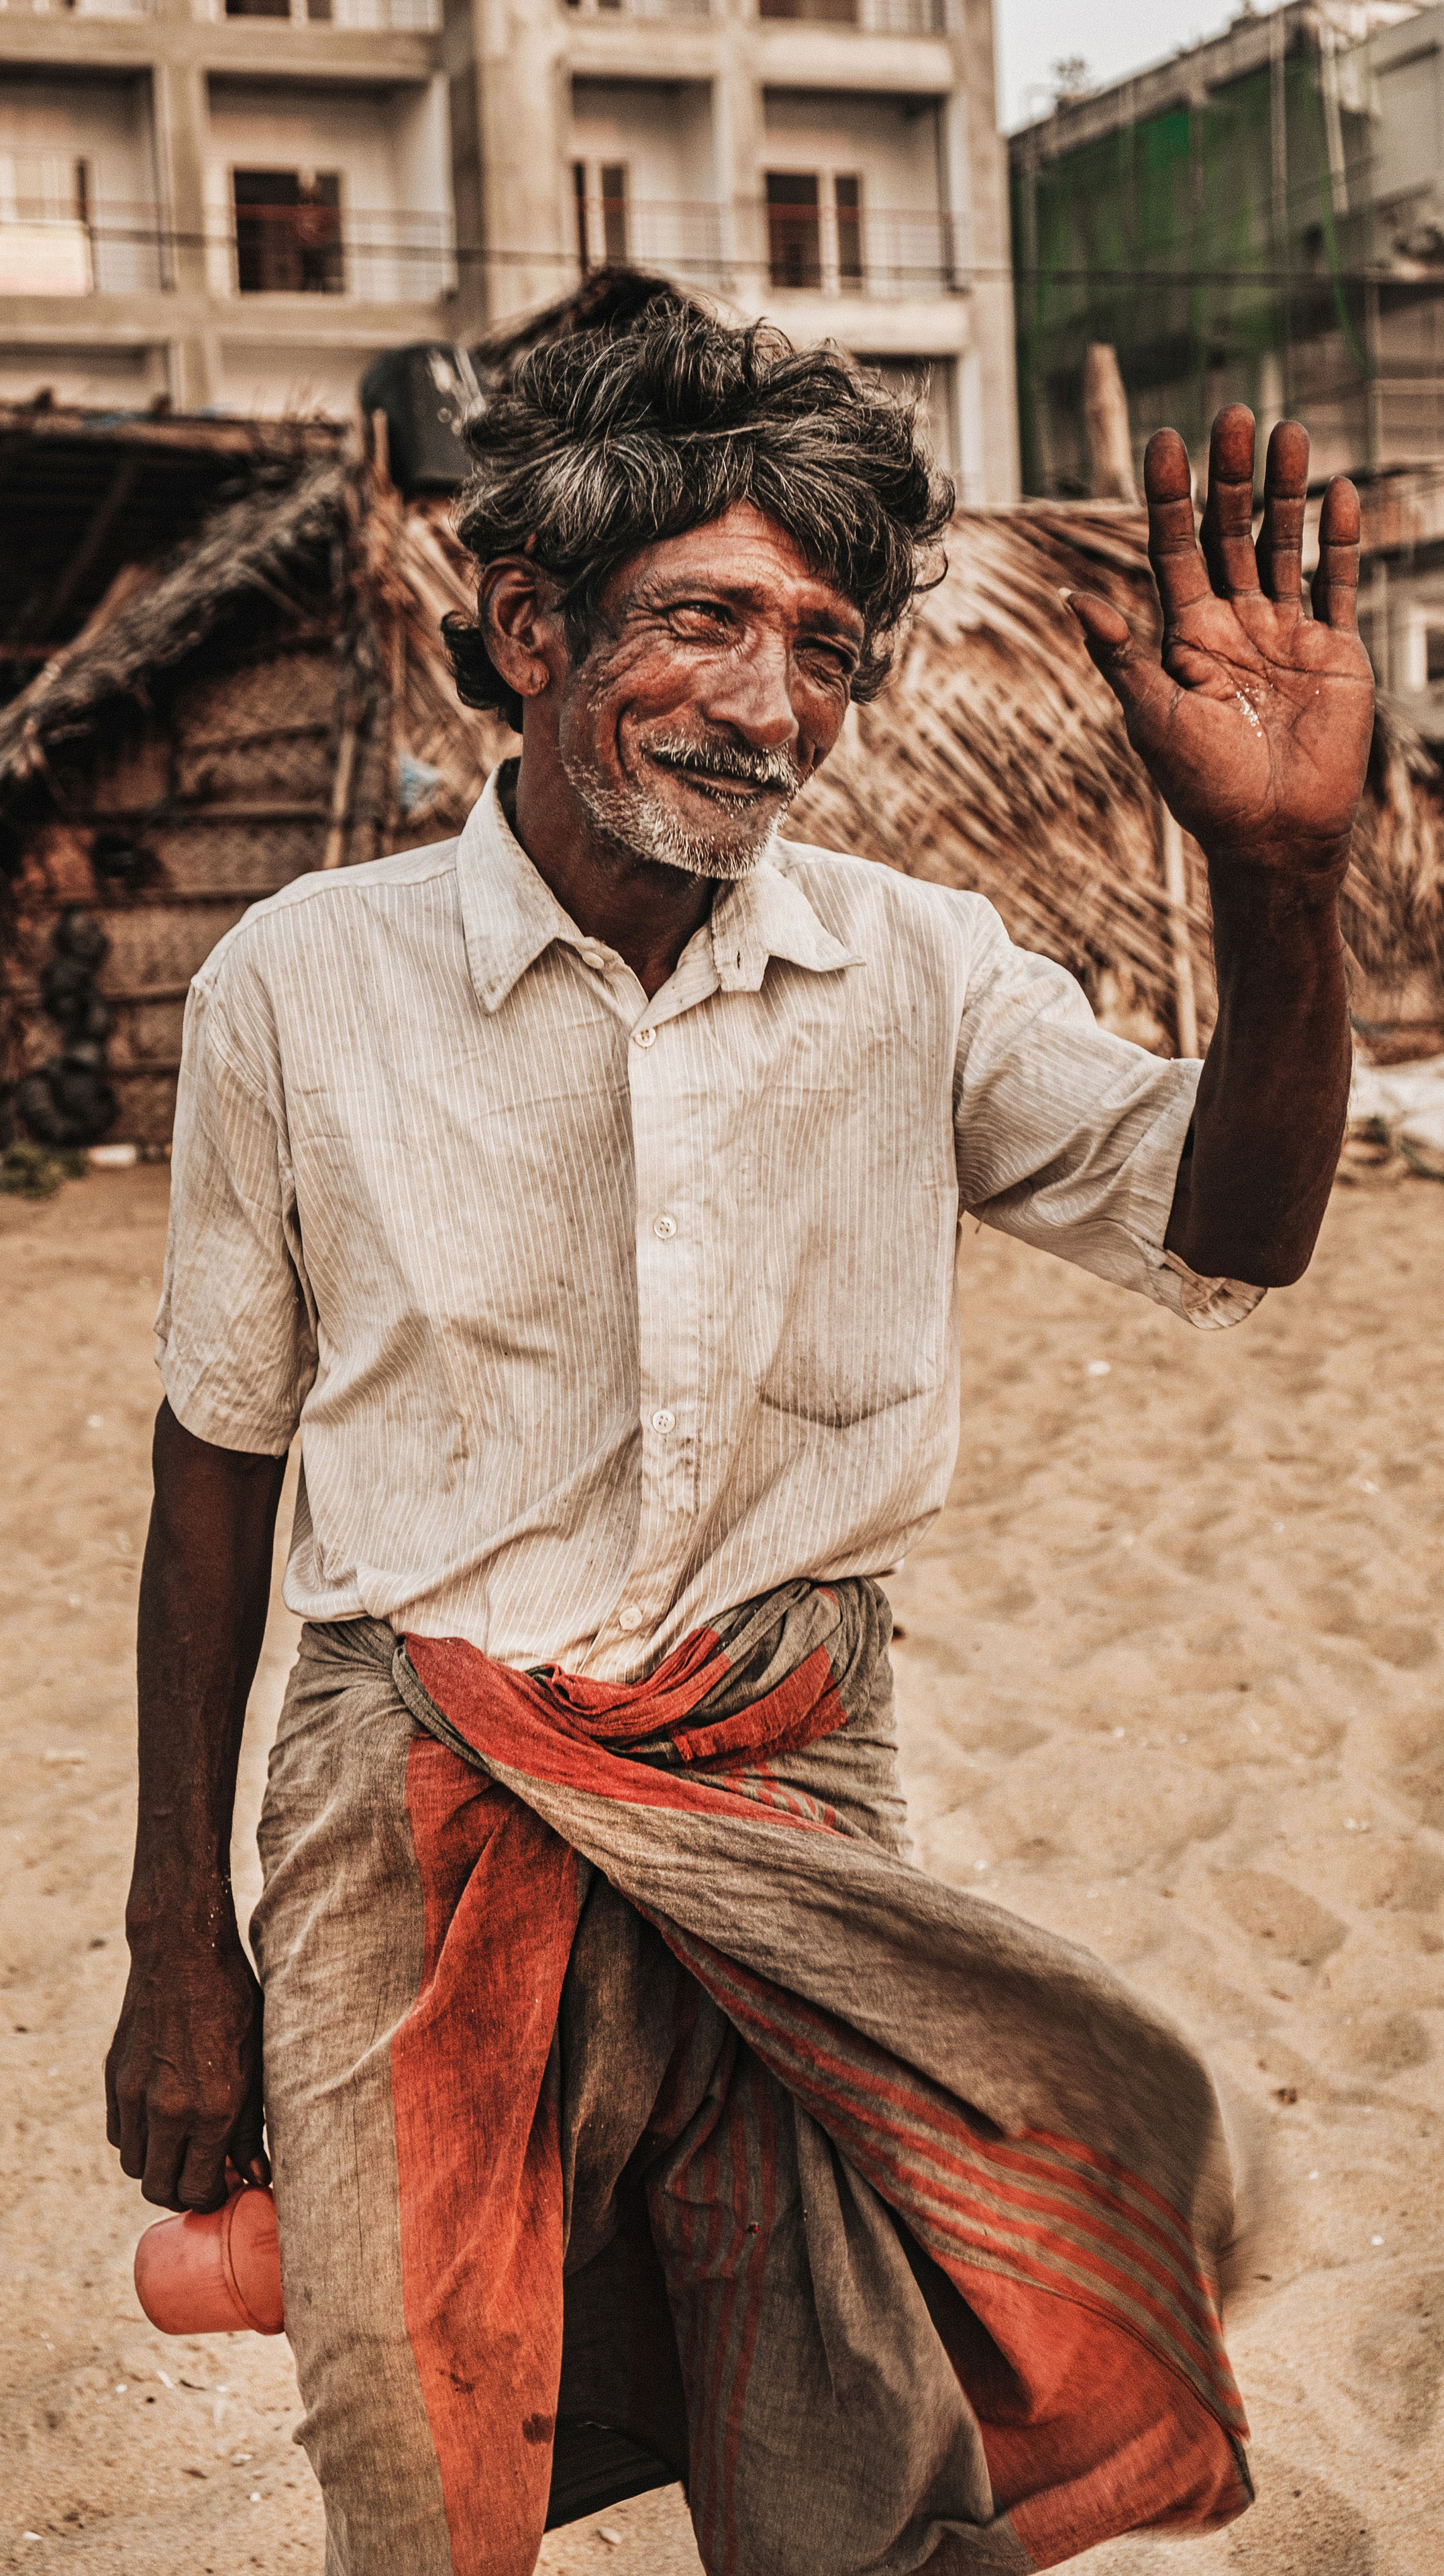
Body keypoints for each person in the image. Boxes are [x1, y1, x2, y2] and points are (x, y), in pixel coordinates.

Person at [105, 303, 1372, 2575]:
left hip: (790, 1780)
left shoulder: (920, 971)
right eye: (702, 617)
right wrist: (174, 1941)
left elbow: (1238, 1232)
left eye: (823, 641)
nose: (775, 702)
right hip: (408, 1790)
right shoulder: (295, 984)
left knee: (853, 2466)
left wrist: (1285, 889)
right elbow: (218, 1470)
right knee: (422, 2461)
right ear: (526, 625)